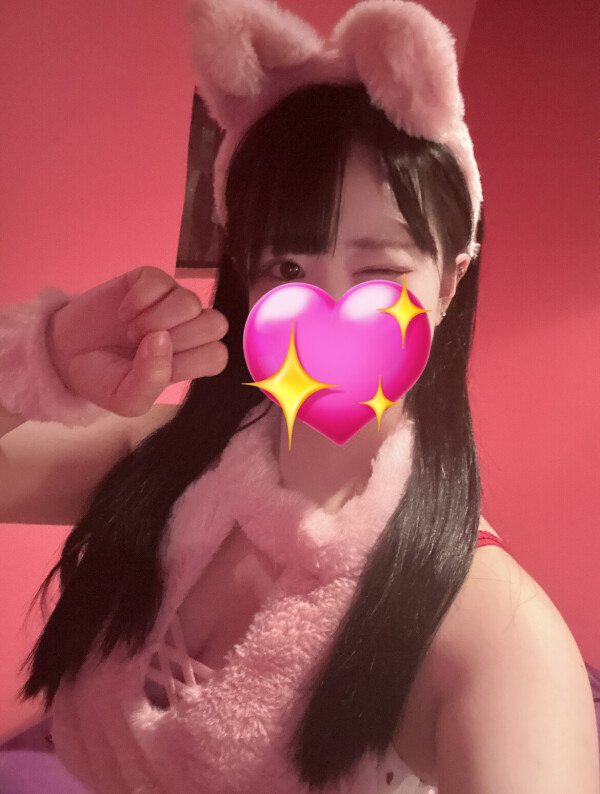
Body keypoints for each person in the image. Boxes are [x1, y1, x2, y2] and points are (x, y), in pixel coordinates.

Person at [0, 0, 598, 792]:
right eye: (287, 268)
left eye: (380, 269)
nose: (327, 309)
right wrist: (37, 358)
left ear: (451, 281)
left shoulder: (489, 632)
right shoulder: (163, 465)